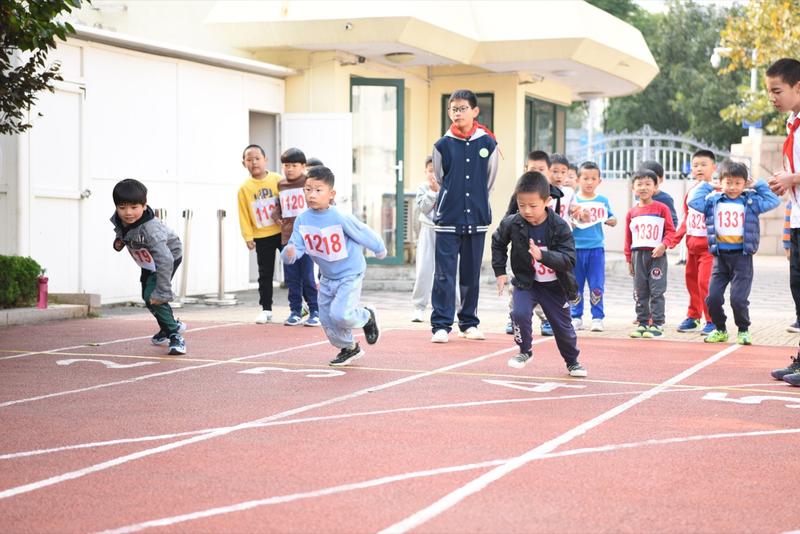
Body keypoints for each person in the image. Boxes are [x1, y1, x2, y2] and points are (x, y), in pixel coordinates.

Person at [281, 165, 386, 366]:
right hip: (327, 276)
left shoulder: (340, 217)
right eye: (308, 189)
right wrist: (289, 254)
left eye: (318, 190)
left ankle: (366, 316)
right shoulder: (302, 220)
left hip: (350, 273)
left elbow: (362, 232)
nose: (312, 194)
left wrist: (379, 249)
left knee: (341, 314)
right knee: (327, 318)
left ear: (331, 194)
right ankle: (349, 347)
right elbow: (295, 247)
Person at [491, 171, 587, 377]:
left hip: (554, 286)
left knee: (563, 328)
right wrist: (500, 271)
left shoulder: (559, 226)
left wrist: (542, 255)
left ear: (547, 201)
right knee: (518, 313)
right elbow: (498, 242)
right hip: (527, 282)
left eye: (533, 206)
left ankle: (572, 361)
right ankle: (524, 351)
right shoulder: (513, 223)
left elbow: (569, 260)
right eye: (521, 205)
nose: (526, 210)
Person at [430, 89, 499, 343]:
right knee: (444, 275)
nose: (457, 113)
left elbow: (489, 180)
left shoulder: (488, 143)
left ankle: (468, 323)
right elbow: (441, 178)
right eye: (453, 109)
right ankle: (441, 325)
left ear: (475, 111)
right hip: (448, 218)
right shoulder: (442, 145)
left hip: (477, 219)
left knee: (471, 275)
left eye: (462, 108)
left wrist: (476, 199)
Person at [689, 160, 780, 345]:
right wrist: (709, 186)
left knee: (738, 299)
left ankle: (743, 329)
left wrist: (757, 184)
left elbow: (774, 200)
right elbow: (693, 201)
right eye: (728, 182)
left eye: (738, 183)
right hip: (720, 258)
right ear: (721, 182)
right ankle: (720, 329)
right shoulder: (713, 201)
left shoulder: (751, 201)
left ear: (745, 183)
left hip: (742, 258)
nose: (732, 187)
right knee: (712, 298)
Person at [110, 179, 186, 355]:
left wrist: (163, 292)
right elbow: (123, 230)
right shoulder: (121, 219)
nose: (128, 213)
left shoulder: (152, 230)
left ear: (144, 206)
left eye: (134, 207)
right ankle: (168, 325)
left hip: (167, 258)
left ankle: (174, 334)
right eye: (122, 207)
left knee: (154, 296)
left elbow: (165, 260)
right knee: (147, 297)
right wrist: (119, 240)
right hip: (147, 261)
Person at [767, 58, 800, 385]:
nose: (772, 98)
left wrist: (792, 178)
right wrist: (784, 181)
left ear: (798, 87)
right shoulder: (793, 123)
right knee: (797, 289)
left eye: (777, 91)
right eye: (770, 92)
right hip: (799, 219)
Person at [625, 169, 678, 338]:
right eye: (639, 184)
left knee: (657, 290)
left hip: (657, 256)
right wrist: (629, 260)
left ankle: (657, 324)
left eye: (648, 184)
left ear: (655, 187)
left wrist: (664, 245)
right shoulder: (631, 213)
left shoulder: (662, 209)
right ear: (633, 188)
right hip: (638, 257)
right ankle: (642, 323)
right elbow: (628, 238)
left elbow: (671, 231)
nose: (643, 188)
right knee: (640, 290)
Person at [271, 147, 320, 327]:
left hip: (306, 239)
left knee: (307, 277)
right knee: (291, 278)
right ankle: (295, 311)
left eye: (294, 165)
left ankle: (315, 311)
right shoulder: (281, 184)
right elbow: (279, 204)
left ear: (303, 166)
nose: (289, 169)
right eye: (286, 165)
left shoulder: (308, 182)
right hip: (287, 238)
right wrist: (276, 216)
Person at [671, 151, 717, 335]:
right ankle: (693, 316)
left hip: (709, 249)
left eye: (704, 165)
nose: (699, 168)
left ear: (713, 167)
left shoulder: (718, 191)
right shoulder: (691, 192)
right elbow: (686, 219)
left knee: (705, 283)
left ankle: (712, 320)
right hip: (692, 247)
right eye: (695, 165)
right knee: (692, 282)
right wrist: (673, 240)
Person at [411, 156, 461, 322]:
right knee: (423, 270)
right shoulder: (423, 187)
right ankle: (419, 307)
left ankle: (454, 307)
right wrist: (433, 192)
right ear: (425, 172)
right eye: (430, 171)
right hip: (428, 230)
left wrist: (441, 191)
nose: (433, 174)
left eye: (437, 171)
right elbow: (424, 208)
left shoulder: (450, 186)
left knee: (450, 270)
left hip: (446, 231)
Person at [237, 144, 283, 324]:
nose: (254, 162)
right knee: (265, 273)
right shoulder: (244, 188)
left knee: (294, 269)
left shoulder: (278, 180)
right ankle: (266, 309)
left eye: (257, 158)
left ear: (266, 160)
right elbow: (243, 214)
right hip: (262, 235)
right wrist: (247, 237)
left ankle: (302, 306)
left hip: (283, 232)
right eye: (249, 159)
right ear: (244, 164)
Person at [569, 161, 616, 332]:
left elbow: (612, 218)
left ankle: (597, 317)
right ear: (578, 180)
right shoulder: (573, 200)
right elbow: (567, 222)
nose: (589, 182)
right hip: (575, 249)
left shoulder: (602, 201)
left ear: (599, 181)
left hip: (596, 249)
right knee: (575, 285)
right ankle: (576, 316)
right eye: (585, 178)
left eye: (593, 178)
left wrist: (611, 220)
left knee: (597, 284)